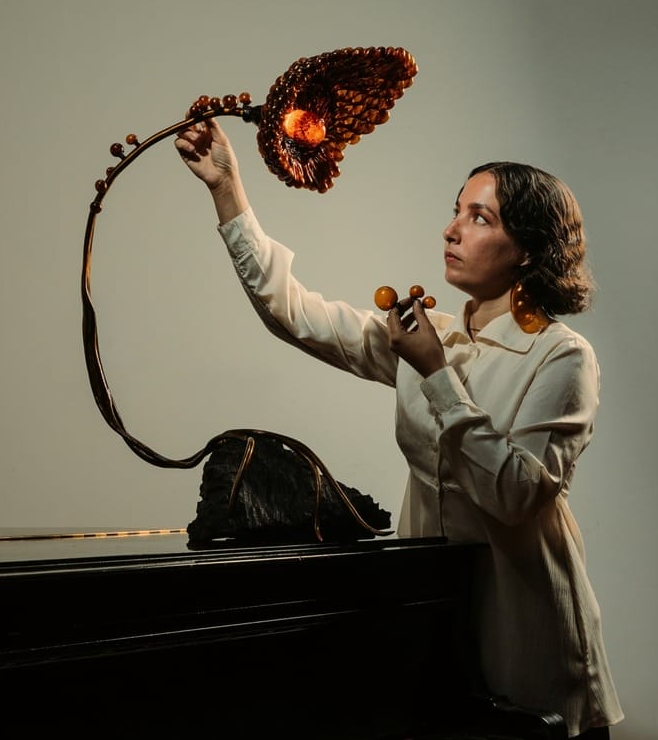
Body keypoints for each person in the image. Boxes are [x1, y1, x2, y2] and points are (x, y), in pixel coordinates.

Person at [174, 117, 623, 739]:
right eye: (457, 210)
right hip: (427, 613)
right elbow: (295, 313)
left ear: (529, 249)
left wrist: (436, 374)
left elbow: (517, 496)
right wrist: (228, 191)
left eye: (480, 218)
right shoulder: (424, 333)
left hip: (523, 619)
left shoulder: (562, 356)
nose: (451, 228)